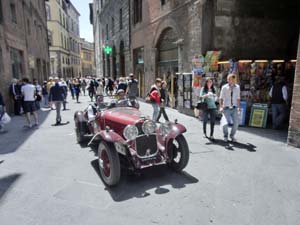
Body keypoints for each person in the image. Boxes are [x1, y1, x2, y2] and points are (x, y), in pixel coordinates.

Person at [219, 74, 241, 142]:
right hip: (226, 108)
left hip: (234, 108)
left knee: (236, 123)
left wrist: (238, 107)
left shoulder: (237, 87)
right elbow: (221, 98)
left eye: (232, 79)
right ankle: (225, 136)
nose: (231, 80)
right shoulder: (224, 87)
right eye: (229, 79)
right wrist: (221, 107)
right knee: (225, 123)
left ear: (234, 80)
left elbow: (238, 98)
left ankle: (232, 136)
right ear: (227, 80)